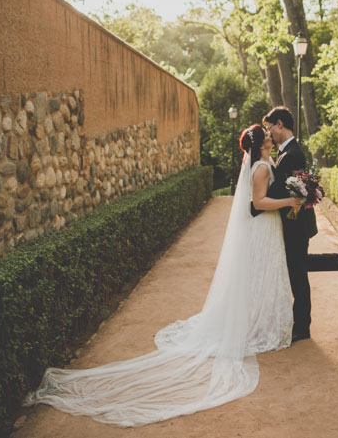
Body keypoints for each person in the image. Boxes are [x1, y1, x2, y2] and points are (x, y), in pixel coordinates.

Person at [24, 124, 301, 427]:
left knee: (261, 276)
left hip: (265, 229)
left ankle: (259, 318)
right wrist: (290, 201)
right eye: (267, 136)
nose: (272, 137)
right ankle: (257, 323)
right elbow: (258, 203)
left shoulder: (263, 162)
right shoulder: (260, 168)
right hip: (261, 228)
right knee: (259, 275)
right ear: (260, 144)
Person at [255, 106, 338, 342]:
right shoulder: (287, 152)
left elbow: (278, 191)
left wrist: (254, 205)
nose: (269, 133)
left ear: (279, 124)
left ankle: (302, 327)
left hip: (295, 224)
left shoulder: (292, 154)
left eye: (269, 128)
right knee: (297, 266)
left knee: (297, 274)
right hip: (293, 222)